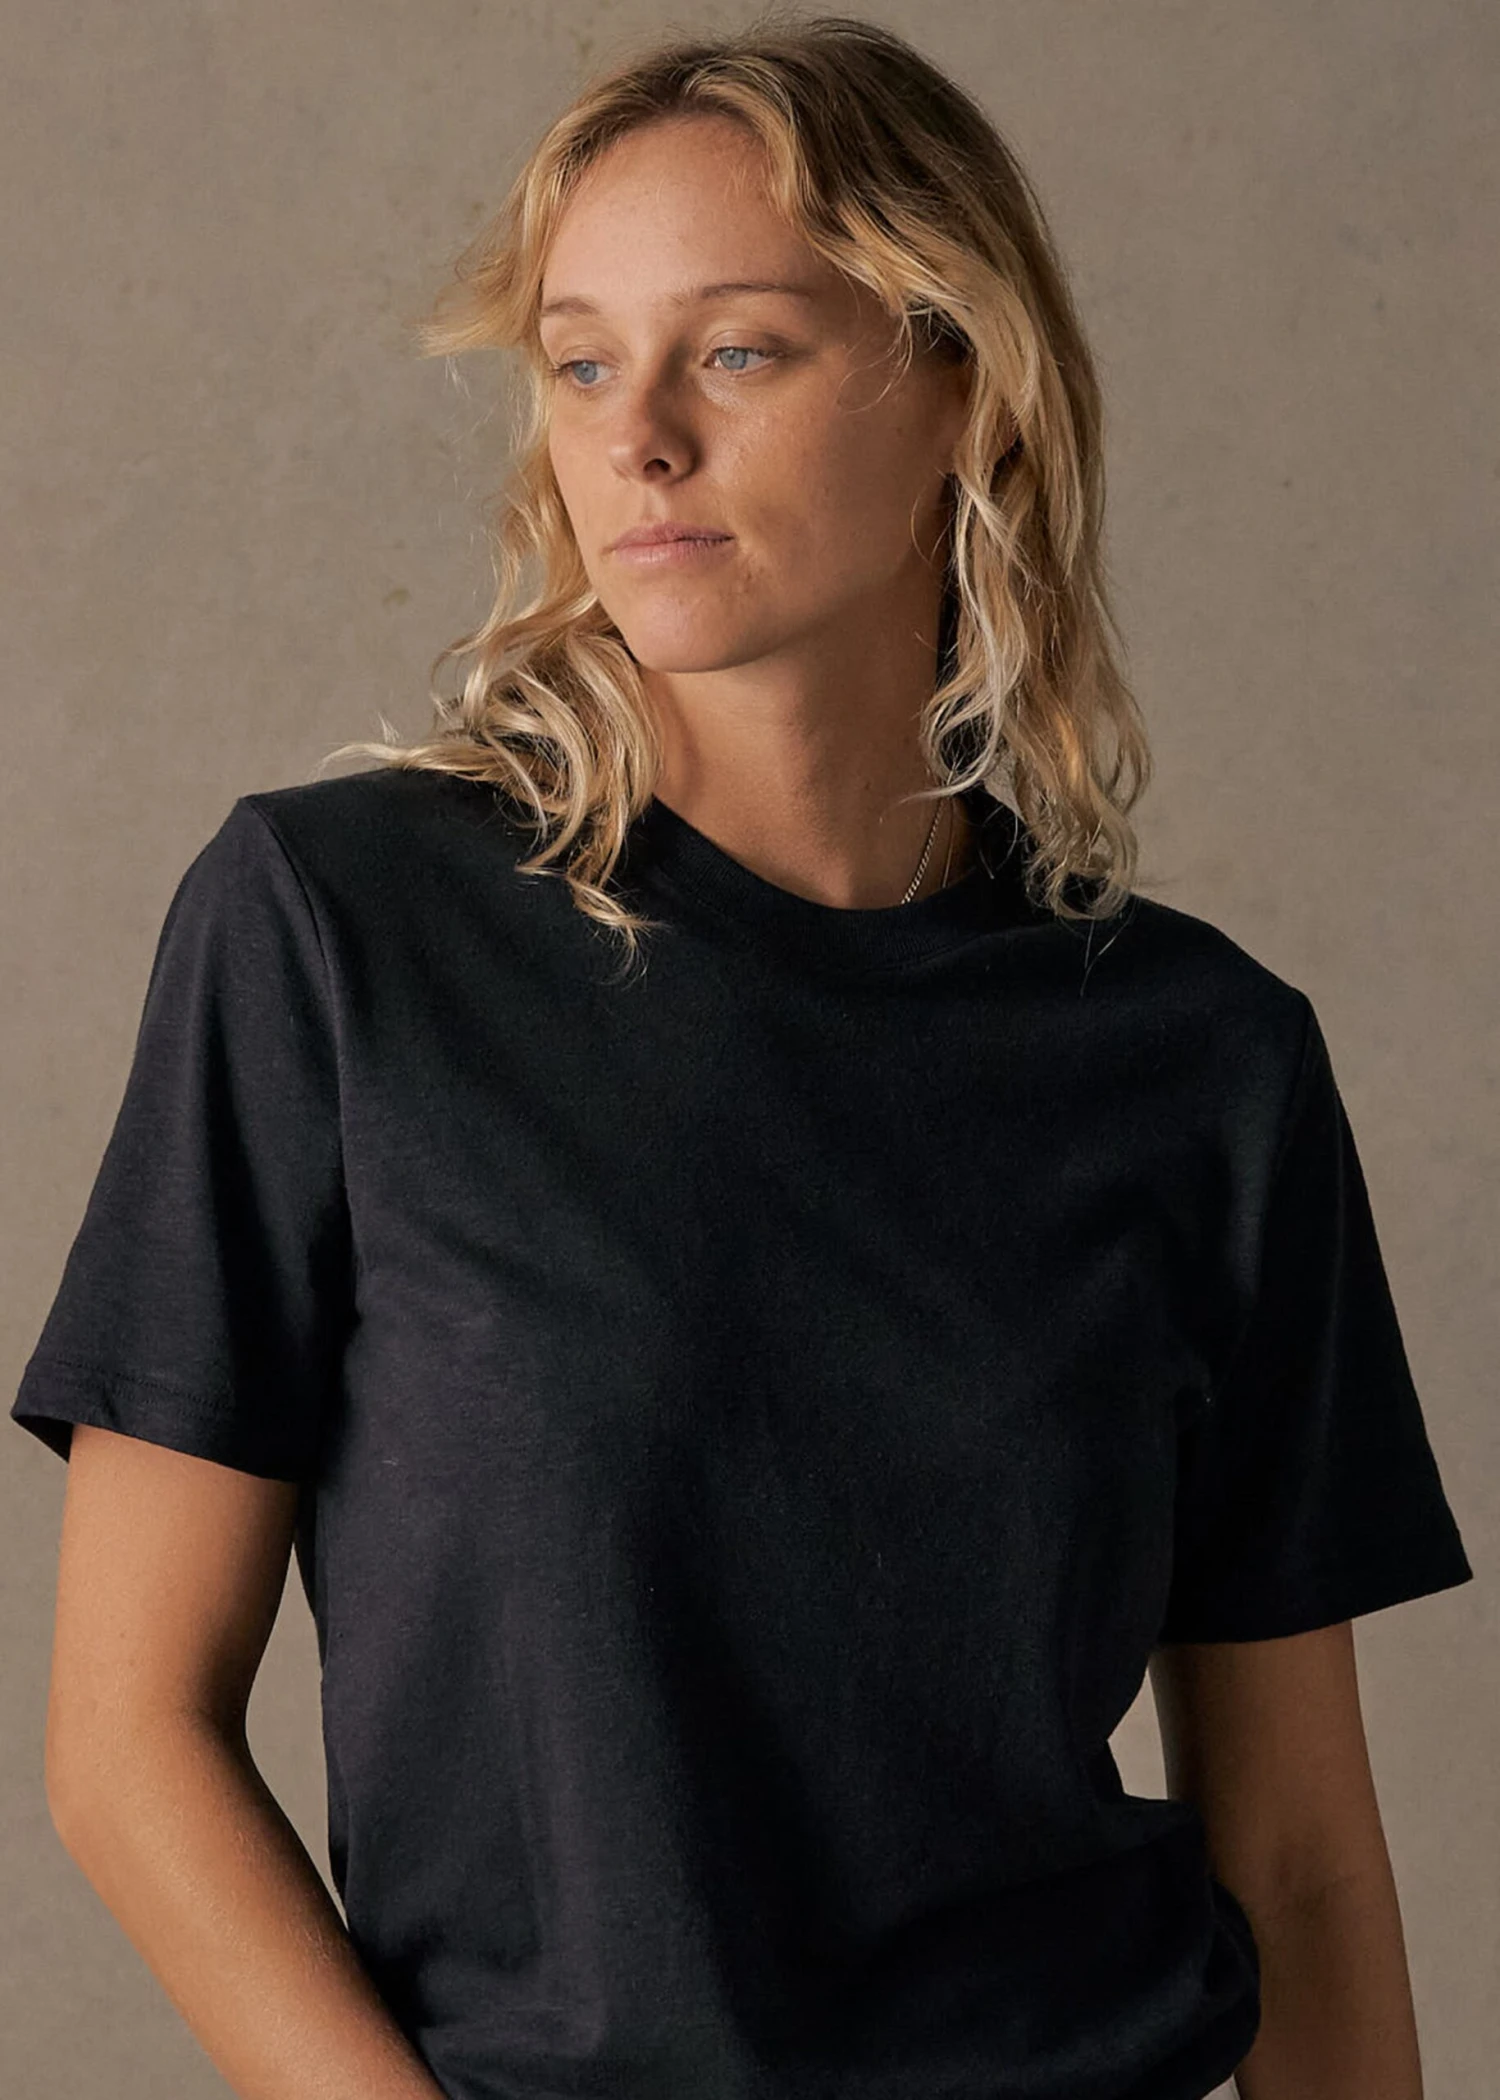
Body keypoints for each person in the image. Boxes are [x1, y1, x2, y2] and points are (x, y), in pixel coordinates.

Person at [12, 15, 1472, 2100]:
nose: (639, 439)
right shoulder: (339, 936)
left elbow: (1305, 1863)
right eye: (581, 363)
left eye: (742, 350)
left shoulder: (1203, 1062)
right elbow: (125, 1743)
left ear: (965, 388)